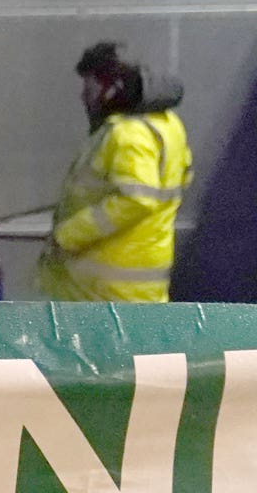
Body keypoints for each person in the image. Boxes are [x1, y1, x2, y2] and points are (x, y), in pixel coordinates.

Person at [34, 39, 190, 301]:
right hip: (135, 284)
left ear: (110, 88)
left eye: (90, 86)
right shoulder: (167, 125)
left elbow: (135, 199)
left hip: (106, 290)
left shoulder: (128, 135)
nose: (84, 95)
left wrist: (67, 236)